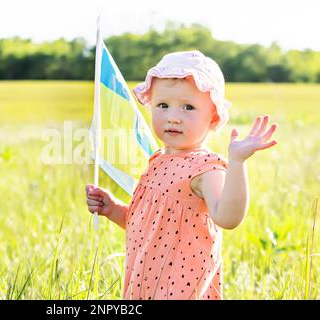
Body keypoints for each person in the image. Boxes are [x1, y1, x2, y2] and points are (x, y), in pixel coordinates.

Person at [85, 50, 278, 300]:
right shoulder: (156, 161)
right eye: (163, 105)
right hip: (144, 284)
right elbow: (147, 225)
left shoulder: (206, 168)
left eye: (188, 107)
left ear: (213, 117)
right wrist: (113, 209)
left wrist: (237, 163)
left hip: (180, 289)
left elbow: (228, 218)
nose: (173, 117)